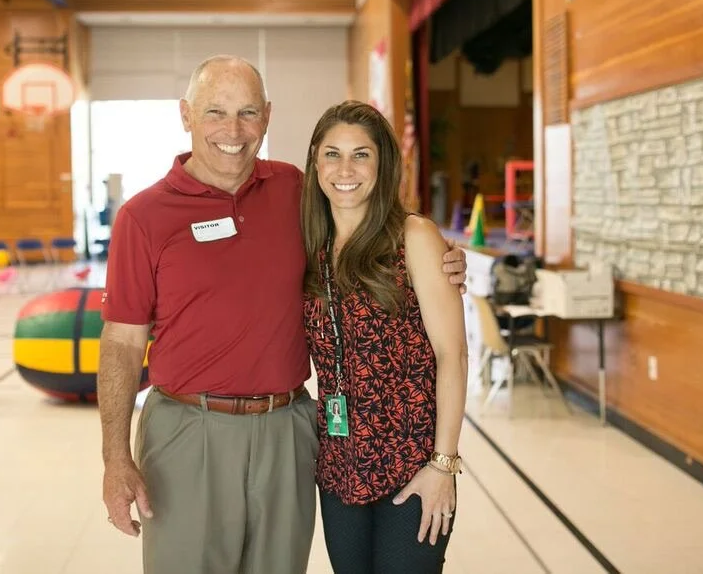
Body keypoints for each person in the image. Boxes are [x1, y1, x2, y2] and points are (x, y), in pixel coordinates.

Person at [97, 55, 468, 574]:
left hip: (290, 429)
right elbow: (121, 342)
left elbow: (377, 227)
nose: (233, 130)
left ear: (267, 117)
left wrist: (441, 256)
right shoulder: (143, 216)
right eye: (215, 113)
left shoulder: (295, 192)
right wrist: (115, 458)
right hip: (188, 430)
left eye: (247, 112)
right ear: (186, 115)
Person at [302, 100, 469, 573]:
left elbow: (452, 356)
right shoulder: (311, 247)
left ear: (383, 165)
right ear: (315, 162)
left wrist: (443, 465)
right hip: (338, 469)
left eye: (361, 155)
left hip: (413, 467)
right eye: (332, 154)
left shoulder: (413, 237)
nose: (345, 169)